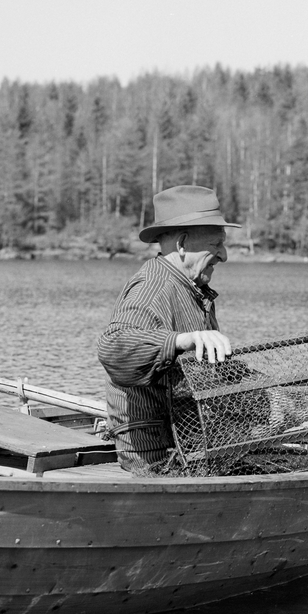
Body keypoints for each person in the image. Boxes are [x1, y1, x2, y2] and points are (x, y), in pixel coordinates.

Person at [97, 185, 239, 474]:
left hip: (189, 446)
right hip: (155, 458)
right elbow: (113, 346)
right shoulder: (155, 286)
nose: (223, 255)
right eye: (215, 245)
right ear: (183, 244)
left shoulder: (191, 288)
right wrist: (182, 340)